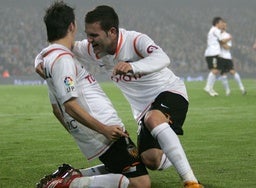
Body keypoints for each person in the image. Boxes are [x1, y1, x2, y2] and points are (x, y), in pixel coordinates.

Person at [72, 5, 203, 188]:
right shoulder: (91, 49)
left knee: (154, 118)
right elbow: (62, 46)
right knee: (151, 160)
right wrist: (41, 60)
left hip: (170, 91)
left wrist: (134, 66)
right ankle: (172, 148)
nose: (89, 40)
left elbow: (163, 58)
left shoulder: (134, 40)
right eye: (87, 34)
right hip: (143, 111)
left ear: (111, 32)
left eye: (94, 35)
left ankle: (191, 182)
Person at [34, 1, 150, 188]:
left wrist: (79, 133)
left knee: (129, 167)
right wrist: (103, 129)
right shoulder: (62, 59)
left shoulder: (49, 59)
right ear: (72, 26)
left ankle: (71, 176)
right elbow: (69, 106)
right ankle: (70, 183)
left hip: (94, 130)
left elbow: (56, 109)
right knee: (140, 183)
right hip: (104, 129)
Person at [203, 17, 231, 97]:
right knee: (215, 70)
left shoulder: (214, 30)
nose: (222, 24)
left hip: (214, 53)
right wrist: (229, 38)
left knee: (216, 70)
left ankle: (210, 88)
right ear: (217, 23)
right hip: (212, 53)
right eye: (221, 23)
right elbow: (222, 41)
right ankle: (207, 87)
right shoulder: (215, 30)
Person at [219, 21, 246, 96]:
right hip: (220, 57)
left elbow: (227, 47)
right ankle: (228, 91)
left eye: (224, 25)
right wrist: (222, 42)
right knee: (223, 74)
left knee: (232, 72)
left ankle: (242, 88)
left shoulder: (227, 35)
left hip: (227, 57)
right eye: (222, 25)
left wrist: (220, 42)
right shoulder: (218, 35)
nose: (223, 26)